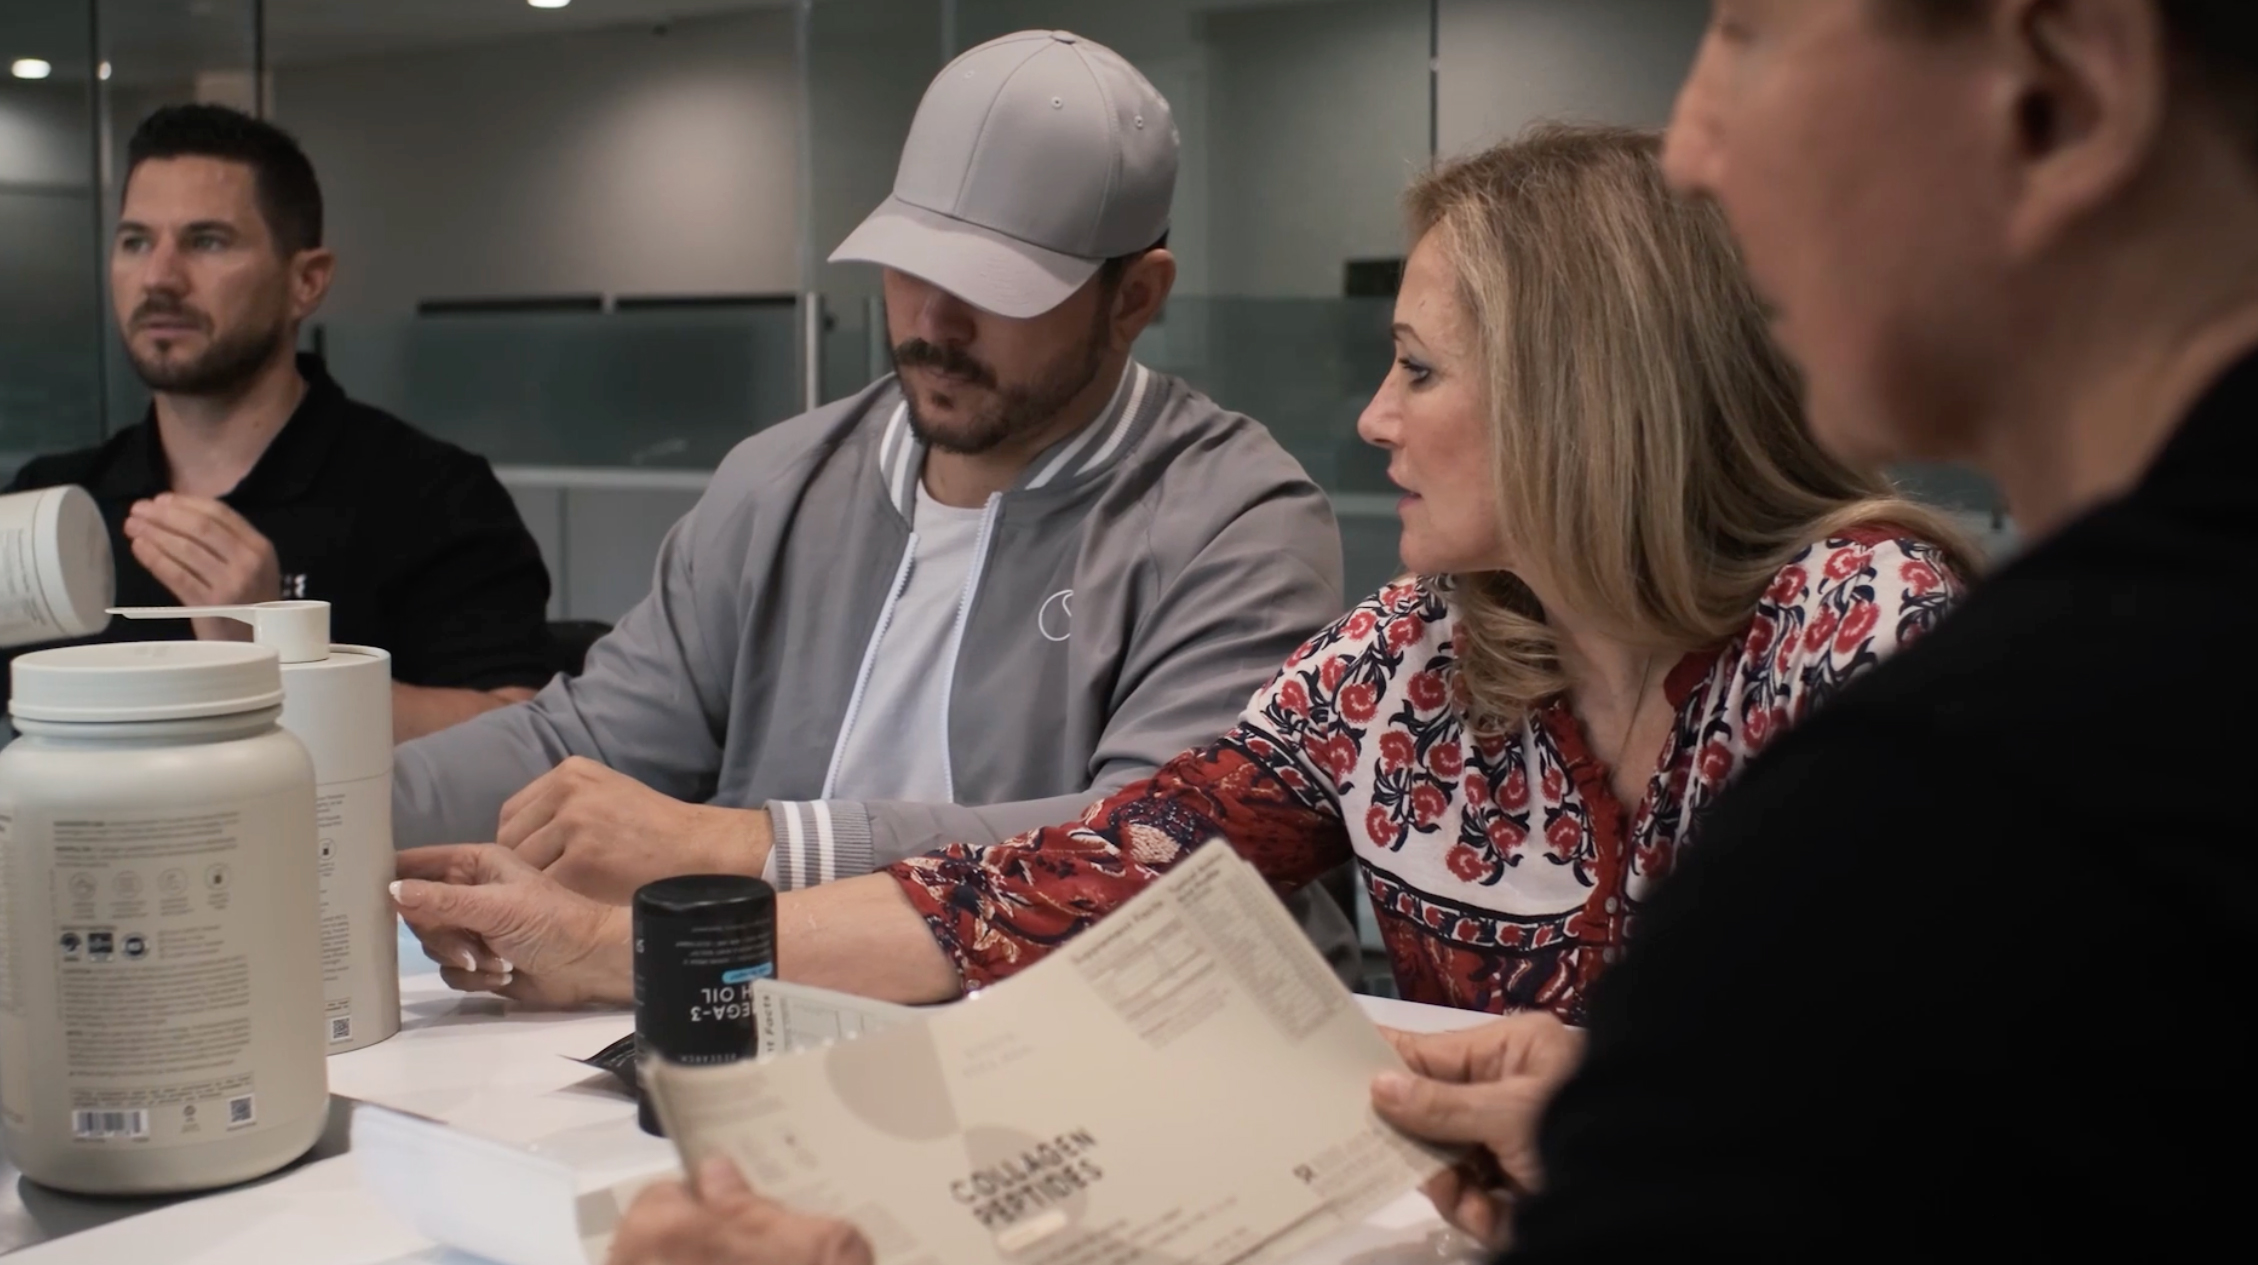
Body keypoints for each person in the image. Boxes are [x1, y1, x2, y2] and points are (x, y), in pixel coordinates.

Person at [584, 124, 1976, 1262]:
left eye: (1418, 369)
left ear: (1582, 396)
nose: (1372, 416)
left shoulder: (1857, 635)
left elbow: (1976, 1097)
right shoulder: (1411, 656)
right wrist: (622, 955)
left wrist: (1629, 1118)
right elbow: (1083, 876)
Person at [388, 30, 1358, 970]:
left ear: (1135, 297)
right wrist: (314, 803)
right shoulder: (781, 481)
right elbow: (587, 739)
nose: (934, 323)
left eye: (996, 287)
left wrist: (746, 846)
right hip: (767, 1003)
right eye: (910, 266)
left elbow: (1145, 846)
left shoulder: (1234, 520)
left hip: (1107, 1041)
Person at [2, 104, 555, 743]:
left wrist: (276, 658)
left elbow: (521, 732)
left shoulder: (432, 494)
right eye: (135, 242)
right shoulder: (53, 500)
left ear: (306, 283)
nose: (159, 277)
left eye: (206, 241)